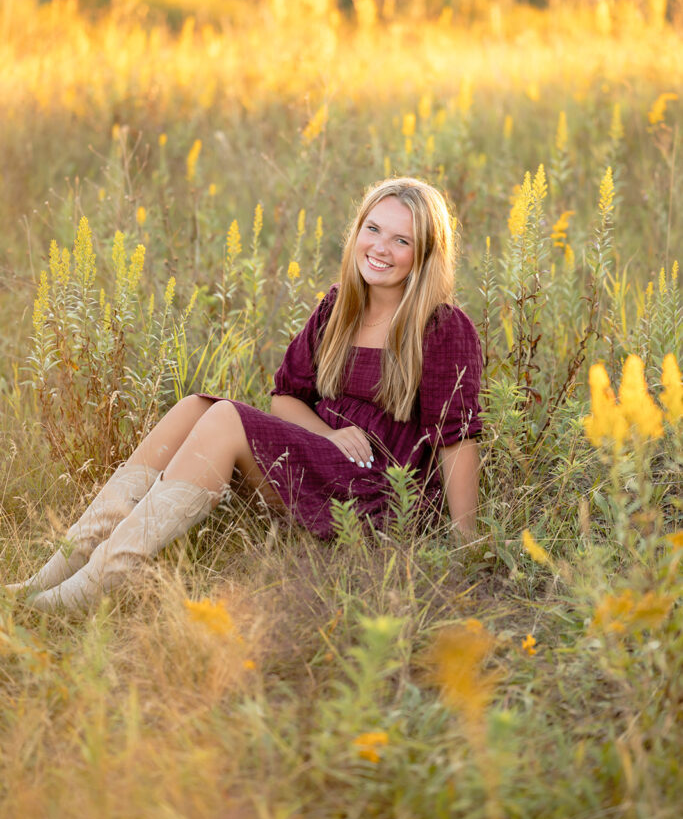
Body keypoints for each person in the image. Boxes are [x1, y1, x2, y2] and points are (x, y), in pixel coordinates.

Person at [8, 177, 482, 614]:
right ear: (357, 230)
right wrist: (328, 435)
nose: (381, 247)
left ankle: (84, 591)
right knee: (196, 406)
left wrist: (465, 544)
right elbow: (286, 398)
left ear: (424, 254)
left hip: (382, 491)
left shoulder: (440, 325)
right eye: (373, 229)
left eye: (402, 240)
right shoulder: (339, 307)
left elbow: (457, 439)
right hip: (324, 462)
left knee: (225, 417)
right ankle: (50, 575)